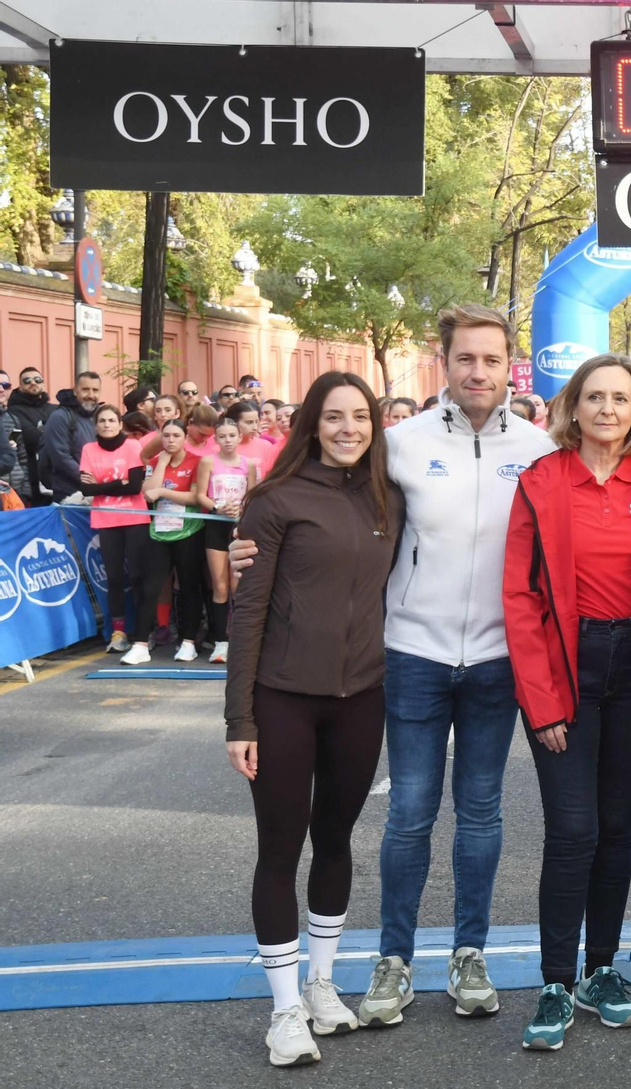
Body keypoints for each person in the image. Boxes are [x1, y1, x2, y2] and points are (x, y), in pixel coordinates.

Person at [232, 304, 561, 1029]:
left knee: (481, 812)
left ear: (512, 367)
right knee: (409, 813)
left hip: (500, 658)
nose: (479, 372)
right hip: (410, 653)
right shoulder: (398, 443)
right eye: (466, 359)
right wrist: (252, 542)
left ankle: (468, 952)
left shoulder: (539, 448)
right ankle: (395, 959)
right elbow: (328, 504)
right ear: (445, 363)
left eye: (493, 360)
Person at [225, 371, 401, 1067]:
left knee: (336, 838)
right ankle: (284, 1008)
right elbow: (247, 611)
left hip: (362, 695)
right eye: (334, 417)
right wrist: (239, 717)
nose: (349, 428)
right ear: (311, 423)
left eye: (360, 416)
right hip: (282, 697)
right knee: (281, 844)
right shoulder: (273, 502)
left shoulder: (388, 496)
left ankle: (323, 985)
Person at [503, 354, 631, 1051]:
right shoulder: (543, 481)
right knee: (572, 828)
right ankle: (554, 978)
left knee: (615, 828)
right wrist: (541, 701)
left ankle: (601, 969)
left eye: (621, 398)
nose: (608, 409)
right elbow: (519, 595)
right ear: (573, 407)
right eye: (595, 397)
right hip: (564, 673)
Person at [120, 419, 210, 667]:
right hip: (160, 532)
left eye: (176, 436)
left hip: (189, 531)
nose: (170, 440)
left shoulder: (196, 461)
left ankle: (188, 642)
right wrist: (160, 463)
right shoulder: (156, 460)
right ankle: (140, 645)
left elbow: (194, 495)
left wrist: (164, 493)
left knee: (189, 586)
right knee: (151, 587)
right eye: (166, 436)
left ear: (184, 437)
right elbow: (148, 491)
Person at [76, 403, 149, 652]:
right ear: (95, 425)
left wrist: (102, 484)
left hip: (135, 518)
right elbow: (86, 489)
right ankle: (118, 632)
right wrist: (119, 481)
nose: (107, 425)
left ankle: (143, 632)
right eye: (102, 421)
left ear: (120, 424)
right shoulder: (88, 449)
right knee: (115, 577)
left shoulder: (132, 446)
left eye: (111, 420)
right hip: (106, 520)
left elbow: (135, 487)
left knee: (139, 576)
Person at [202, 416, 259, 664]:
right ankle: (220, 643)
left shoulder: (249, 465)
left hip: (240, 527)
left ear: (239, 438)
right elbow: (199, 495)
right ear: (215, 439)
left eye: (232, 436)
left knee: (238, 588)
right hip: (215, 526)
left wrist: (241, 509)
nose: (227, 440)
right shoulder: (208, 461)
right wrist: (217, 508)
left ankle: (241, 640)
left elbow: (253, 497)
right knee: (220, 587)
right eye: (222, 436)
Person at [40, 370, 101, 501]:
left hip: (98, 491)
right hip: (69, 494)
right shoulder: (60, 417)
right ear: (75, 391)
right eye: (85, 389)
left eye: (95, 390)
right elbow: (61, 458)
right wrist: (90, 480)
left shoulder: (100, 417)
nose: (91, 395)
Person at [8, 367, 53, 504]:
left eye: (37, 379)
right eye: (27, 381)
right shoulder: (14, 411)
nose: (33, 383)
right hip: (33, 482)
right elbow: (33, 439)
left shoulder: (55, 409)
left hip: (58, 478)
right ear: (20, 387)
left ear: (43, 384)